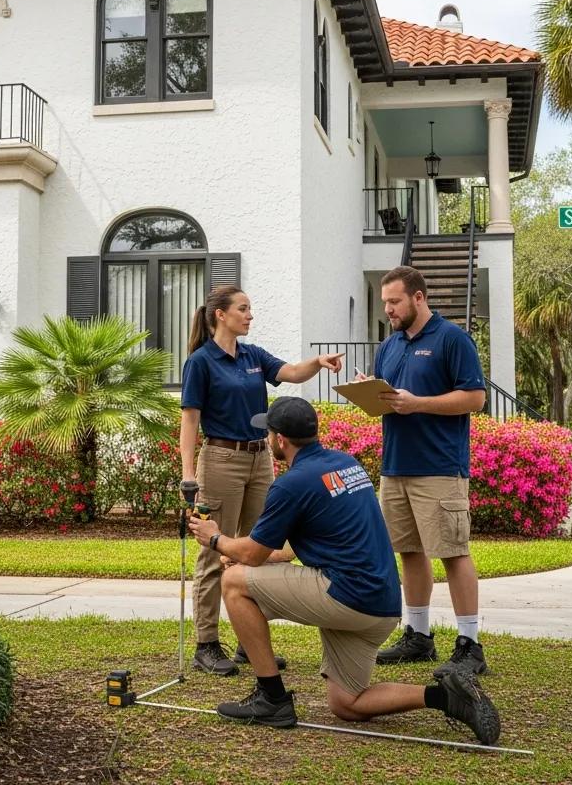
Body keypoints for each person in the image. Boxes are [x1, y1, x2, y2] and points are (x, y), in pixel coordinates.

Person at [188, 396, 500, 745]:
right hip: (381, 607)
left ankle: (271, 698)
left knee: (233, 582)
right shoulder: (343, 464)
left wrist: (215, 539)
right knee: (346, 703)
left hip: (348, 597)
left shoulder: (292, 483)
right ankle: (445, 697)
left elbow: (255, 554)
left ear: (280, 440)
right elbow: (286, 548)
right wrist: (241, 552)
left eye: (270, 433)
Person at [179, 285, 343, 676]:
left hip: (260, 458)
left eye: (250, 309)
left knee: (258, 549)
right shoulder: (201, 362)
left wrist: (318, 362)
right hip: (221, 458)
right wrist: (188, 473)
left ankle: (247, 643)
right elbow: (189, 420)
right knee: (212, 551)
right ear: (220, 314)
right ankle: (206, 644)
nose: (250, 315)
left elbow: (289, 372)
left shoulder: (253, 355)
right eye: (243, 309)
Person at [367, 265, 489, 677]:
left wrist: (418, 402)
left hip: (439, 467)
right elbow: (391, 400)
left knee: (453, 552)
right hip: (395, 465)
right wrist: (371, 392)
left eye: (395, 301)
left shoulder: (453, 339)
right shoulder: (390, 345)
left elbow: (474, 398)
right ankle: (418, 636)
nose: (389, 309)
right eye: (385, 302)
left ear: (418, 298)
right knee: (409, 551)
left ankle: (470, 644)